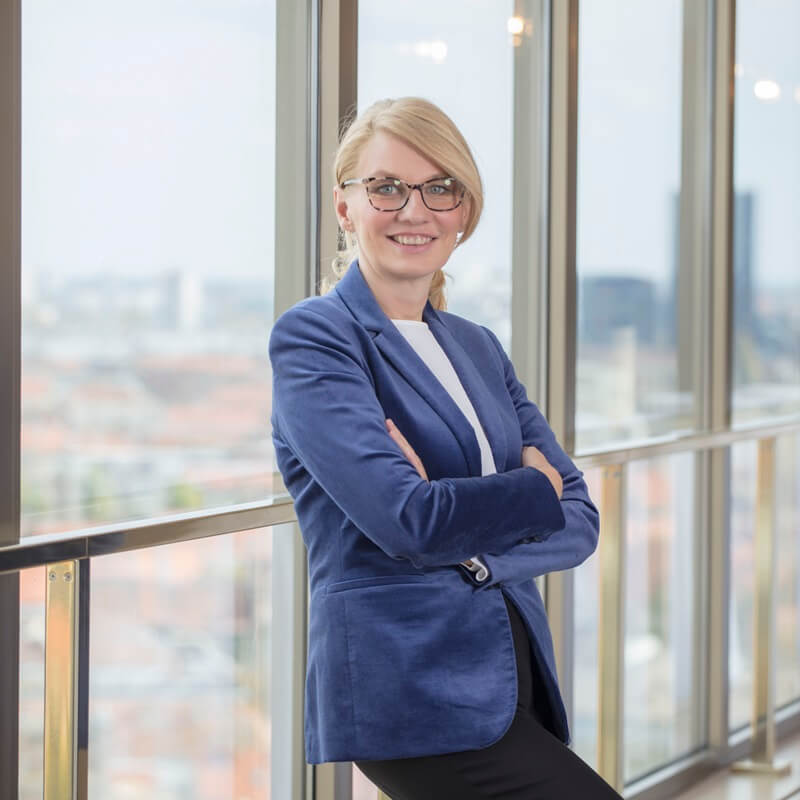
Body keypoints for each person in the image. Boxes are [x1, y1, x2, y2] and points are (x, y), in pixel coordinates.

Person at [269, 97, 621, 799]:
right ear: (345, 207)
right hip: (411, 692)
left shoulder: (476, 347)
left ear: (464, 211)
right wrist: (533, 492)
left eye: (440, 188)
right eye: (386, 187)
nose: (415, 210)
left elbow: (580, 517)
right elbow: (409, 520)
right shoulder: (317, 339)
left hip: (511, 675)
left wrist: (476, 552)